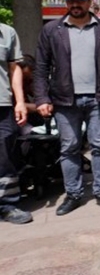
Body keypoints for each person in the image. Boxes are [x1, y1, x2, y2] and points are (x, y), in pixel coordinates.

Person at [33, 0, 100, 216]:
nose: (75, 5)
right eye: (70, 1)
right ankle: (73, 194)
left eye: (80, 0)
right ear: (66, 3)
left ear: (89, 2)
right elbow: (41, 67)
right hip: (64, 100)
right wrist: (42, 98)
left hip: (99, 98)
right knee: (69, 147)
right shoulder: (53, 30)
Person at [0, 22, 31, 224]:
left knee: (4, 155)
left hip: (2, 105)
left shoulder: (7, 32)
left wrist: (20, 101)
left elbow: (15, 68)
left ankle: (7, 205)